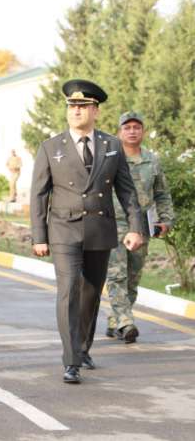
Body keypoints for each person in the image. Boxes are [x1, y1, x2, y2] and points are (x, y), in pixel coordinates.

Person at [30, 79, 144, 384]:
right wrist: (39, 236)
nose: (76, 111)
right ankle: (71, 361)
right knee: (69, 292)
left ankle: (83, 348)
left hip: (99, 229)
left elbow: (127, 191)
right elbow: (39, 194)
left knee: (91, 294)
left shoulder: (112, 146)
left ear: (95, 110)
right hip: (64, 229)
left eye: (82, 106)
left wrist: (136, 227)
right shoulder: (51, 147)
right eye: (72, 107)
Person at [104, 112, 175, 343]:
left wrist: (165, 220)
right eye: (127, 127)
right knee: (116, 275)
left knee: (133, 278)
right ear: (119, 132)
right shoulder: (110, 158)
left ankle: (115, 320)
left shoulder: (152, 160)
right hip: (114, 222)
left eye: (137, 127)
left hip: (141, 225)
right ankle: (126, 322)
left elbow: (162, 194)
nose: (132, 131)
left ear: (142, 131)